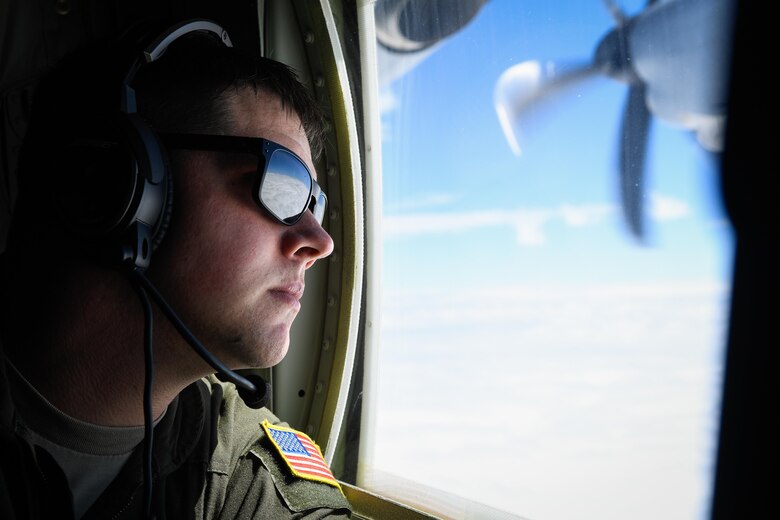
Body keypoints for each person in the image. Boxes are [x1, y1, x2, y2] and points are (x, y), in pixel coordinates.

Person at [0, 19, 352, 519]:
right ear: (121, 185)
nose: (321, 242)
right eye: (284, 184)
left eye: (313, 204)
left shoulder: (238, 465)